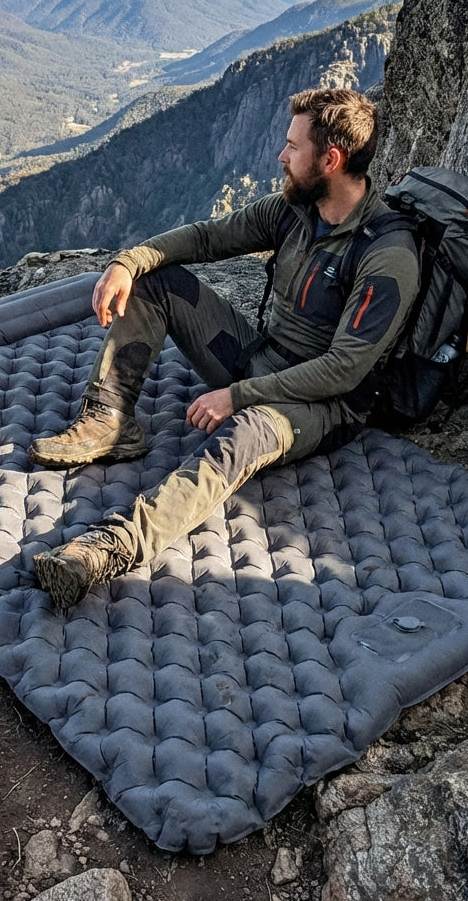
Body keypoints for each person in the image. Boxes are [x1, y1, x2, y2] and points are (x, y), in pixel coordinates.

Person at [29, 87, 420, 607]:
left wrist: (239, 397)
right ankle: (110, 419)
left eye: (292, 147)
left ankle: (109, 546)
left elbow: (343, 371)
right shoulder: (294, 211)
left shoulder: (387, 256)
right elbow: (206, 239)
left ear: (330, 160)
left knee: (241, 436)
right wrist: (129, 261)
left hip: (321, 403)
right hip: (260, 355)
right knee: (156, 280)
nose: (281, 156)